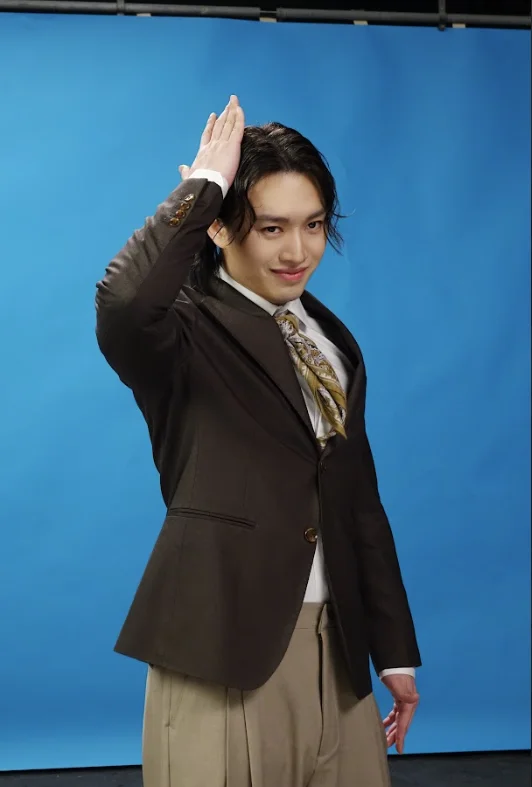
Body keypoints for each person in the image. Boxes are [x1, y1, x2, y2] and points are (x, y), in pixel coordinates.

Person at [95, 95, 421, 787]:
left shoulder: (331, 342)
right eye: (272, 228)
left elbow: (358, 499)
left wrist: (393, 648)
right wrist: (204, 187)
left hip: (342, 652)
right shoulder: (179, 332)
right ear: (220, 227)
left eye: (313, 225)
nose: (298, 251)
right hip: (221, 648)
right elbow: (123, 302)